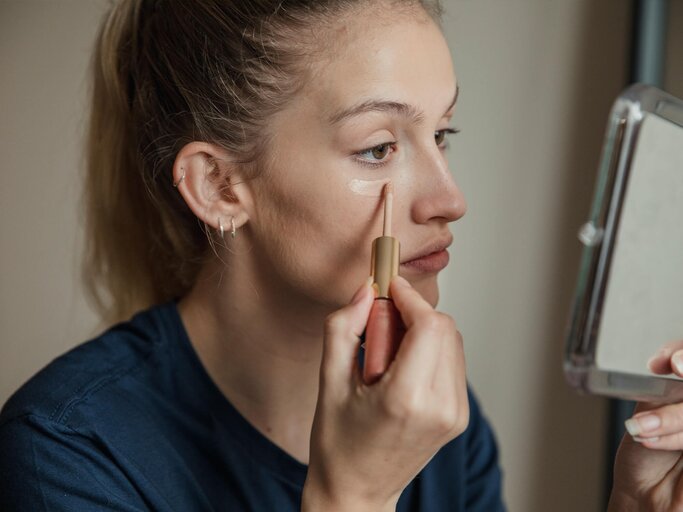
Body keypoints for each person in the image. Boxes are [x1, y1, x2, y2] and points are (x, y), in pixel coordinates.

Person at [0, 1, 681, 510]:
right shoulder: (64, 454)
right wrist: (350, 494)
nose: (448, 199)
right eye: (377, 147)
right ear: (219, 186)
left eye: (441, 133)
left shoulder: (437, 419)